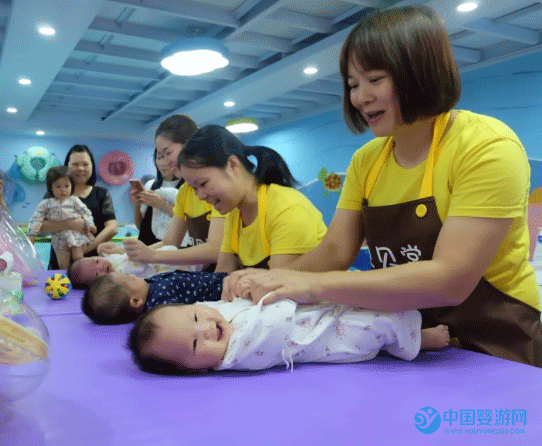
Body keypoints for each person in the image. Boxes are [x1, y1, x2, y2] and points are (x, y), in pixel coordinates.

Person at [222, 5, 542, 368]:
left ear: (419, 73)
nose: (360, 98)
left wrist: (312, 286)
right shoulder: (367, 160)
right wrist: (273, 280)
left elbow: (452, 279)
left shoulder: (487, 147)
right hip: (411, 337)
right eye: (353, 85)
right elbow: (336, 250)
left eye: (375, 80)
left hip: (495, 343)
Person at [128, 297, 450, 374]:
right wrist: (268, 296)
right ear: (198, 369)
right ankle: (419, 341)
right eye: (195, 343)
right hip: (330, 338)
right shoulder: (238, 353)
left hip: (316, 315)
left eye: (196, 316)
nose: (205, 327)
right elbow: (274, 320)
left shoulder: (222, 323)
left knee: (367, 296)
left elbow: (224, 307)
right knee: (379, 322)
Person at [176, 125, 327, 272]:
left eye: (203, 184)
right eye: (195, 189)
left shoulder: (287, 209)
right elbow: (221, 278)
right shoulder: (235, 215)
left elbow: (278, 287)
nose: (201, 196)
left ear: (233, 165)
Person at [123, 115, 225, 271]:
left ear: (190, 146)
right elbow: (170, 242)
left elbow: (215, 249)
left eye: (168, 153)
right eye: (160, 156)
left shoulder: (217, 186)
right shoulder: (185, 191)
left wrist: (152, 255)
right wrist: (128, 254)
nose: (164, 162)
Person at [40, 145, 118, 269]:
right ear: (67, 166)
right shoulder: (53, 194)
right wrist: (71, 225)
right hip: (60, 262)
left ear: (92, 166)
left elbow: (112, 228)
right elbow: (40, 227)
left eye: (85, 164)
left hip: (94, 265)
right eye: (75, 164)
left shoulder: (102, 194)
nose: (80, 168)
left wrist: (82, 250)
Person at [82, 270, 228, 325]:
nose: (133, 275)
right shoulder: (159, 305)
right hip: (222, 293)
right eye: (130, 278)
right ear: (136, 301)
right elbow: (179, 318)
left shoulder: (149, 285)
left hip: (217, 278)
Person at [27, 166, 96, 270]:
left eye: (66, 186)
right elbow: (37, 217)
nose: (63, 190)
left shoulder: (74, 200)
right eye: (58, 186)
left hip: (76, 234)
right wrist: (32, 234)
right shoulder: (46, 203)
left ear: (72, 186)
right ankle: (66, 282)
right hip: (59, 237)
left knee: (78, 258)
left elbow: (85, 212)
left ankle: (80, 279)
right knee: (63, 265)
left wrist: (90, 224)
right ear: (51, 187)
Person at [131, 147, 192, 247]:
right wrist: (136, 205)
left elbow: (191, 224)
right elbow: (141, 226)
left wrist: (162, 205)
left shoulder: (189, 187)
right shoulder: (150, 185)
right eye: (159, 158)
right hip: (148, 247)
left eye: (167, 156)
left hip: (176, 250)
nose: (162, 163)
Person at [68, 245, 201, 287]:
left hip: (165, 255)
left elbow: (121, 255)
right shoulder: (120, 276)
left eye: (97, 261)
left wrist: (115, 250)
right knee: (198, 264)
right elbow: (137, 262)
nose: (101, 267)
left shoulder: (110, 261)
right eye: (97, 274)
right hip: (172, 267)